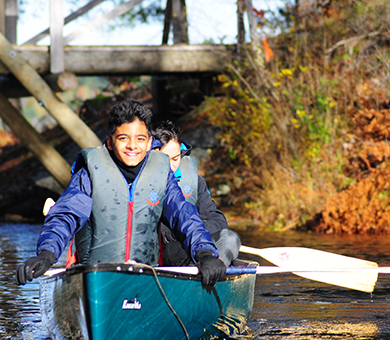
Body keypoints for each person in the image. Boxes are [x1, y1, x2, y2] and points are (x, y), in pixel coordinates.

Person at [15, 100, 226, 287]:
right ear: (109, 141)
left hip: (146, 277)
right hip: (94, 278)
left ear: (149, 143)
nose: (132, 145)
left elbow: (184, 216)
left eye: (140, 139)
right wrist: (46, 254)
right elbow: (65, 215)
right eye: (123, 138)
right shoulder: (89, 173)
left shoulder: (162, 175)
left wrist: (205, 253)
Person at [152, 120, 241, 267]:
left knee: (230, 238)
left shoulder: (195, 182)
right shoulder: (142, 182)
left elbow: (219, 221)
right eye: (165, 159)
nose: (171, 166)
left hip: (191, 246)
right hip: (159, 253)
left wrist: (195, 231)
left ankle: (207, 271)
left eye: (176, 158)